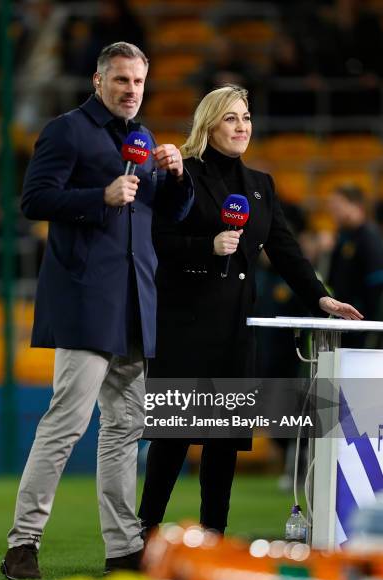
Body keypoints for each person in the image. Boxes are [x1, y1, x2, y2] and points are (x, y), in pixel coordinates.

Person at [0, 41, 194, 580]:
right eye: (122, 81)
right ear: (98, 80)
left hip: (135, 303)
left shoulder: (143, 138)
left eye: (139, 82)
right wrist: (97, 197)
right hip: (87, 301)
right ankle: (23, 543)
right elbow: (34, 200)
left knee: (124, 430)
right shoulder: (67, 130)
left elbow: (165, 215)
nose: (132, 91)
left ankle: (122, 548)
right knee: (66, 424)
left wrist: (177, 177)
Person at [138, 85, 363, 537]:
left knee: (223, 445)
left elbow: (285, 249)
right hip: (184, 325)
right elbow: (155, 240)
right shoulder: (185, 174)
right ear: (209, 125)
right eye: (231, 118)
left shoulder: (260, 185)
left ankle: (213, 537)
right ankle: (143, 534)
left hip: (235, 330)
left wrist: (320, 297)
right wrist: (208, 247)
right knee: (174, 439)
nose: (242, 127)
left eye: (246, 118)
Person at [327, 184, 383, 346]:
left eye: (338, 205)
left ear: (355, 205)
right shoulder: (343, 237)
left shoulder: (368, 238)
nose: (333, 212)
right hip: (344, 320)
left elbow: (377, 285)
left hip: (361, 323)